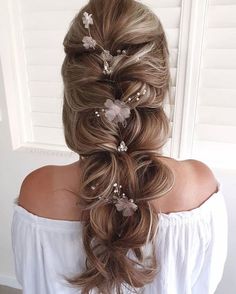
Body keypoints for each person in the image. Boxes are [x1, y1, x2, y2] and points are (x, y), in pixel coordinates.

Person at [11, 0, 228, 293]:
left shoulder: (38, 191)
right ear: (158, 84)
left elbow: (33, 285)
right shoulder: (198, 187)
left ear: (75, 90)